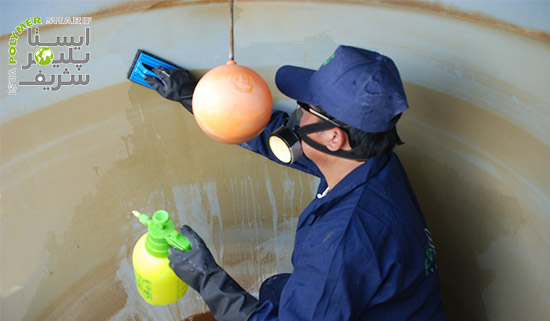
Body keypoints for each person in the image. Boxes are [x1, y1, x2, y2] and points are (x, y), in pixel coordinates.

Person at [144, 45, 445, 321]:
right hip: (397, 305)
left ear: (334, 137)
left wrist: (205, 275)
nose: (296, 118)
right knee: (276, 290)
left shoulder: (339, 245)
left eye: (304, 110)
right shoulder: (372, 162)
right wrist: (193, 95)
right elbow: (273, 138)